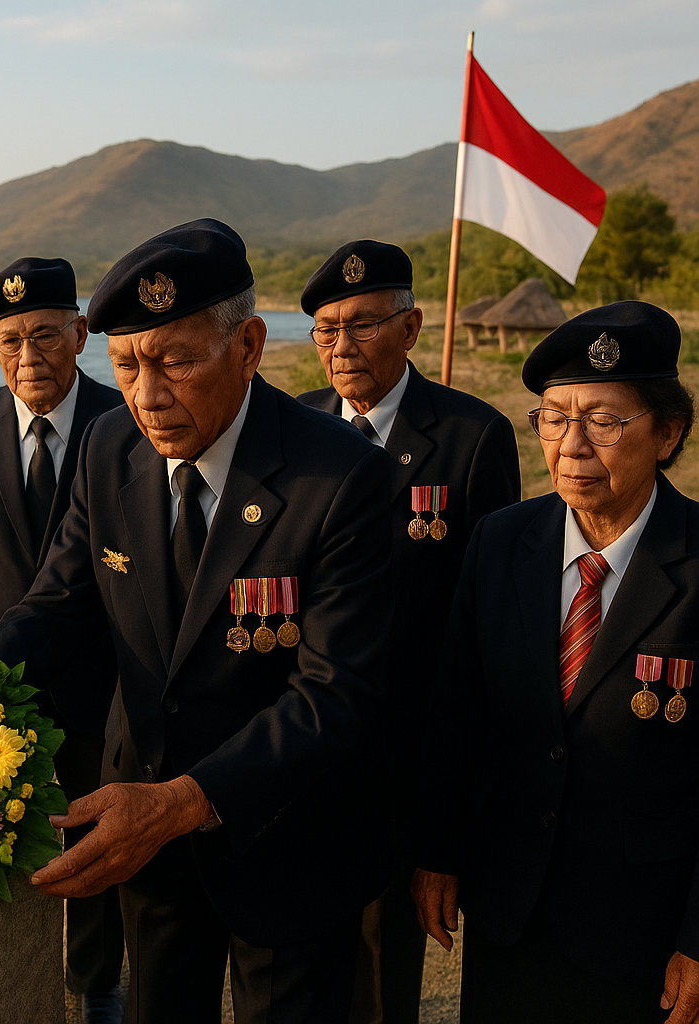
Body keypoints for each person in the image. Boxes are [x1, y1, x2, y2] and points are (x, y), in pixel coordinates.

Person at [0, 218, 395, 1024]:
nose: (147, 395)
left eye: (175, 361)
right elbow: (58, 604)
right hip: (148, 843)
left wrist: (180, 802)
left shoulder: (341, 478)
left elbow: (334, 695)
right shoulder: (108, 449)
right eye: (126, 365)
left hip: (289, 842)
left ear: (247, 346)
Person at [412, 301, 699, 1023]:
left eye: (604, 420)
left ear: (668, 432)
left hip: (645, 935)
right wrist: (438, 851)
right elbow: (457, 712)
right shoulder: (502, 542)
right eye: (554, 417)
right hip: (510, 913)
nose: (572, 445)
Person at [296, 239, 520, 1024]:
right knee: (307, 955)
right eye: (326, 330)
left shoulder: (471, 436)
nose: (342, 347)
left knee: (388, 967)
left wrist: (449, 815)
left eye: (363, 324)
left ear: (413, 326)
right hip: (308, 747)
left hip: (407, 755)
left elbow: (485, 625)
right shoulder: (298, 428)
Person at [0, 257, 125, 1022]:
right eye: (9, 340)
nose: (28, 356)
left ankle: (98, 993)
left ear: (80, 334)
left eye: (46, 334)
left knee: (94, 854)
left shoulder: (124, 425)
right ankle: (5, 990)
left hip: (100, 691)